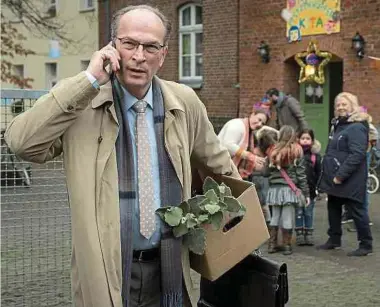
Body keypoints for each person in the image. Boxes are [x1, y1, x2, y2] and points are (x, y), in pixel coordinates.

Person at [4, 5, 241, 307]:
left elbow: (222, 169)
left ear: (164, 54)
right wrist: (89, 80)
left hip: (169, 267)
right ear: (112, 47)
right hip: (106, 270)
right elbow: (21, 143)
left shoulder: (184, 102)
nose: (139, 56)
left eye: (150, 47)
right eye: (129, 44)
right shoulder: (81, 102)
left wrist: (240, 219)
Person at [317, 92, 373, 257]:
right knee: (333, 207)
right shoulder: (338, 125)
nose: (340, 107)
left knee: (357, 210)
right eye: (338, 105)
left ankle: (366, 244)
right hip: (336, 177)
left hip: (350, 178)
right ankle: (334, 240)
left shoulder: (356, 127)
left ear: (353, 106)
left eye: (344, 104)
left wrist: (340, 175)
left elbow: (357, 154)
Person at [266, 125, 310, 255]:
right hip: (289, 190)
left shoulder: (272, 150)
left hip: (274, 189)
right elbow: (301, 174)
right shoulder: (297, 150)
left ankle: (272, 245)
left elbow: (266, 172)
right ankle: (286, 246)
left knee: (274, 217)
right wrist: (305, 192)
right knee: (287, 218)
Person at [218, 108, 268, 179]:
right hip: (219, 169)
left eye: (263, 123)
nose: (259, 124)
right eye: (259, 119)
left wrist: (255, 163)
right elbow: (228, 145)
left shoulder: (249, 131)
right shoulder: (238, 125)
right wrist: (250, 156)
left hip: (227, 171)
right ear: (252, 114)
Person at [295, 128, 322, 246]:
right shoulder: (295, 154)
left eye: (308, 138)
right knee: (298, 212)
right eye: (303, 138)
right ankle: (299, 234)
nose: (305, 141)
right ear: (298, 140)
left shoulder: (315, 157)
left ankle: (309, 233)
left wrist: (318, 188)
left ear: (312, 140)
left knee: (308, 212)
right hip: (297, 189)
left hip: (311, 190)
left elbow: (320, 173)